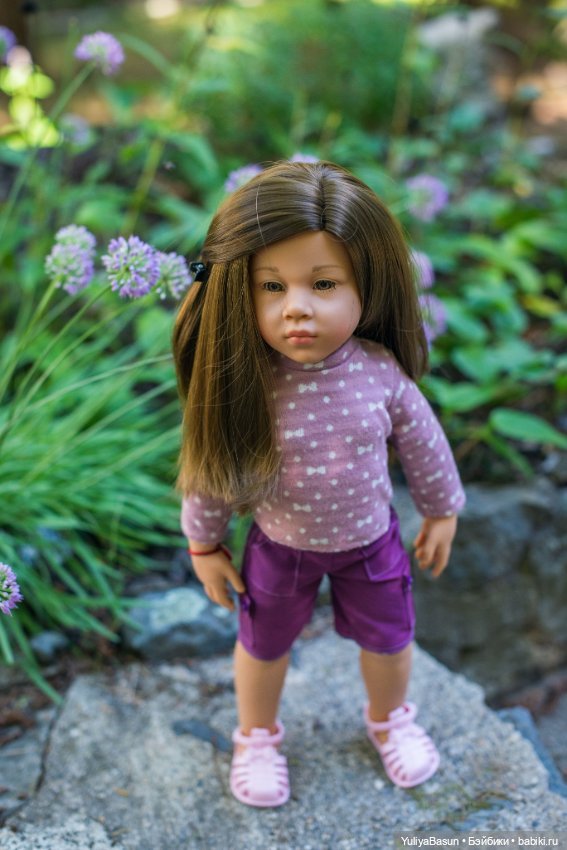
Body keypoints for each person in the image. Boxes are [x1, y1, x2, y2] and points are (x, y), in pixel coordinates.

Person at [172, 160, 466, 808]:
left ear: (367, 285)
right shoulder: (247, 382)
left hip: (371, 543)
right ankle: (256, 736)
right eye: (271, 287)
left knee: (390, 640)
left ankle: (390, 719)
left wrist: (441, 509)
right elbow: (215, 466)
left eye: (324, 283)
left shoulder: (380, 373)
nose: (297, 308)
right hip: (279, 548)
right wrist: (204, 542)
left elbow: (424, 443)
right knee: (261, 645)